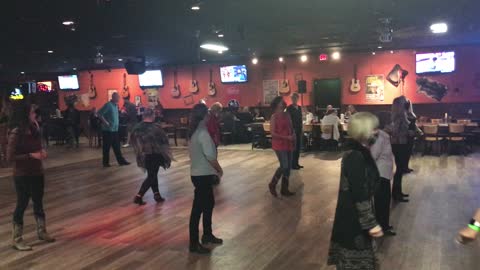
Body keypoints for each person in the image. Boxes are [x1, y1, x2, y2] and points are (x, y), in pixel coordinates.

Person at [327, 112, 383, 270]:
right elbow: (359, 193)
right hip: (353, 219)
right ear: (363, 131)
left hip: (353, 216)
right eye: (374, 129)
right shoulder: (356, 157)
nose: (377, 133)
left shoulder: (359, 153)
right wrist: (370, 223)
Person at [7, 102, 55, 251]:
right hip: (22, 174)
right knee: (22, 203)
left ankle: (42, 231)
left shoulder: (34, 129)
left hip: (37, 172)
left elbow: (38, 147)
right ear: (25, 114)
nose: (35, 114)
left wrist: (42, 152)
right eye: (32, 112)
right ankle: (17, 238)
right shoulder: (16, 132)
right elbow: (9, 157)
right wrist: (30, 155)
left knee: (38, 202)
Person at [188, 103, 224, 254]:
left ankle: (207, 235)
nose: (210, 115)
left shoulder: (196, 131)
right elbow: (210, 156)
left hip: (199, 174)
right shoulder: (202, 133)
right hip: (202, 175)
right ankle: (194, 243)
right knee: (198, 210)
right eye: (208, 113)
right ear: (204, 116)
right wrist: (219, 169)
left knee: (208, 205)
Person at [130, 108, 173, 205]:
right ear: (152, 116)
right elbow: (164, 141)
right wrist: (167, 155)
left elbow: (132, 140)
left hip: (143, 154)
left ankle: (156, 195)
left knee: (152, 174)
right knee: (152, 176)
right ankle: (139, 196)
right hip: (155, 154)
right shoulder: (156, 128)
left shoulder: (137, 127)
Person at [371, 113, 396, 236]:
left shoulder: (383, 136)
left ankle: (383, 225)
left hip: (383, 174)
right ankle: (382, 226)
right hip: (380, 175)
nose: (393, 125)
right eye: (391, 123)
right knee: (382, 203)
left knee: (383, 202)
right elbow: (373, 156)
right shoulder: (381, 137)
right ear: (386, 124)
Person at [268, 96, 295, 197]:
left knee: (288, 168)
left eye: (283, 101)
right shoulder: (274, 116)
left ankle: (284, 189)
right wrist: (287, 137)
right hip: (279, 144)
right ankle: (272, 184)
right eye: (281, 101)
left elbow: (291, 128)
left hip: (289, 143)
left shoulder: (287, 114)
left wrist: (293, 136)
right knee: (284, 166)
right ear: (277, 104)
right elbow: (273, 133)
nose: (284, 102)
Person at [97, 92, 130, 167]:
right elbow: (99, 113)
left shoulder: (116, 106)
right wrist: (105, 122)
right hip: (107, 130)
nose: (119, 99)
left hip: (115, 130)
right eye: (118, 97)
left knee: (117, 147)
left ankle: (121, 161)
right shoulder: (108, 105)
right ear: (114, 97)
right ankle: (105, 163)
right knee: (106, 148)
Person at [390, 96, 410, 203]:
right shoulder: (399, 117)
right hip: (398, 145)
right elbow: (395, 132)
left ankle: (398, 192)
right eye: (404, 102)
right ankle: (396, 194)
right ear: (400, 105)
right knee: (399, 170)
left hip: (400, 144)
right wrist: (407, 133)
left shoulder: (402, 115)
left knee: (400, 170)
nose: (407, 103)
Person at [287, 93, 303, 170]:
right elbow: (288, 120)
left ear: (298, 99)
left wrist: (301, 128)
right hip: (293, 130)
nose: (294, 99)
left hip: (299, 130)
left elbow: (300, 119)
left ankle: (297, 163)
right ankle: (293, 165)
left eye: (296, 98)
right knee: (294, 148)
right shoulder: (289, 108)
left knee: (298, 147)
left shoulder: (299, 108)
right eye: (293, 98)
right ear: (291, 99)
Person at [405, 99, 421, 174]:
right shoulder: (402, 114)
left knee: (408, 152)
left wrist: (417, 130)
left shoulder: (410, 113)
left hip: (411, 135)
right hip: (406, 135)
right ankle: (403, 168)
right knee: (405, 152)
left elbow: (413, 124)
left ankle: (405, 167)